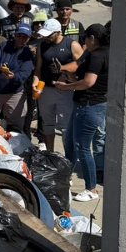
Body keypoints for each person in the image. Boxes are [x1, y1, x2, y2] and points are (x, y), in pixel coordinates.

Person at [54, 24, 111, 202]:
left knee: (84, 148)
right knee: (70, 143)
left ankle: (91, 189)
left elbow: (88, 82)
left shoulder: (98, 55)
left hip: (90, 106)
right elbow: (79, 71)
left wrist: (66, 87)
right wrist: (66, 73)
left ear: (92, 38)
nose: (84, 41)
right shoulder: (96, 53)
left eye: (86, 38)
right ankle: (65, 178)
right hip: (82, 105)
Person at [32, 18, 84, 157]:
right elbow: (38, 68)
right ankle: (51, 157)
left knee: (66, 127)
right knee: (47, 125)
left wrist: (65, 73)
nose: (47, 37)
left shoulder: (72, 45)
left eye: (49, 35)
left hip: (65, 91)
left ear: (58, 32)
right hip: (46, 90)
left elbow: (81, 67)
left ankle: (68, 160)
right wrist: (35, 82)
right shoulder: (42, 45)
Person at [0, 24, 34, 132]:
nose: (21, 39)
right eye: (19, 36)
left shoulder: (28, 53)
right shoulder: (3, 45)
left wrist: (14, 76)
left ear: (28, 39)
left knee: (16, 126)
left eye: (25, 37)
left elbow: (25, 72)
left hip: (14, 93)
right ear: (15, 35)